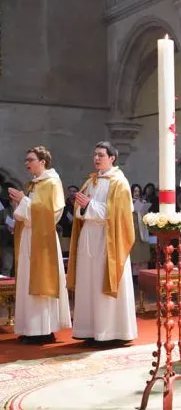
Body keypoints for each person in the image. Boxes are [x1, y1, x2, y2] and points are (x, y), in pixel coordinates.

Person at [66, 141, 137, 345]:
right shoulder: (91, 182)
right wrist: (80, 206)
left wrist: (89, 205)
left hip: (109, 241)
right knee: (89, 283)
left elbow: (119, 215)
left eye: (101, 155)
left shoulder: (119, 182)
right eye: (95, 155)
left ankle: (109, 332)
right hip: (89, 237)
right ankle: (91, 330)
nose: (96, 158)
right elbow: (81, 211)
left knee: (102, 283)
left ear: (112, 158)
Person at [9, 146, 71, 344]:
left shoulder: (52, 182)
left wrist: (24, 201)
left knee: (41, 281)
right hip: (29, 236)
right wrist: (19, 204)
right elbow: (29, 211)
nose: (27, 163)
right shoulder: (33, 184)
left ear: (43, 161)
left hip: (43, 239)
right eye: (26, 160)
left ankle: (44, 329)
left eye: (31, 159)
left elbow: (53, 213)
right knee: (28, 279)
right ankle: (29, 328)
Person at [130, 183, 151, 276]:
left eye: (138, 191)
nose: (137, 193)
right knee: (134, 256)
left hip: (142, 231)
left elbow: (146, 217)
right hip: (132, 231)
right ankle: (134, 276)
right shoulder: (128, 202)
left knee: (143, 255)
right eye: (135, 191)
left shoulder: (143, 202)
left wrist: (142, 208)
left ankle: (143, 275)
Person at [57, 185, 78, 256]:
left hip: (77, 230)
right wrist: (66, 222)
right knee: (67, 252)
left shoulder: (79, 204)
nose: (72, 193)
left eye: (74, 191)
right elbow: (59, 218)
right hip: (66, 231)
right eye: (70, 191)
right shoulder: (64, 205)